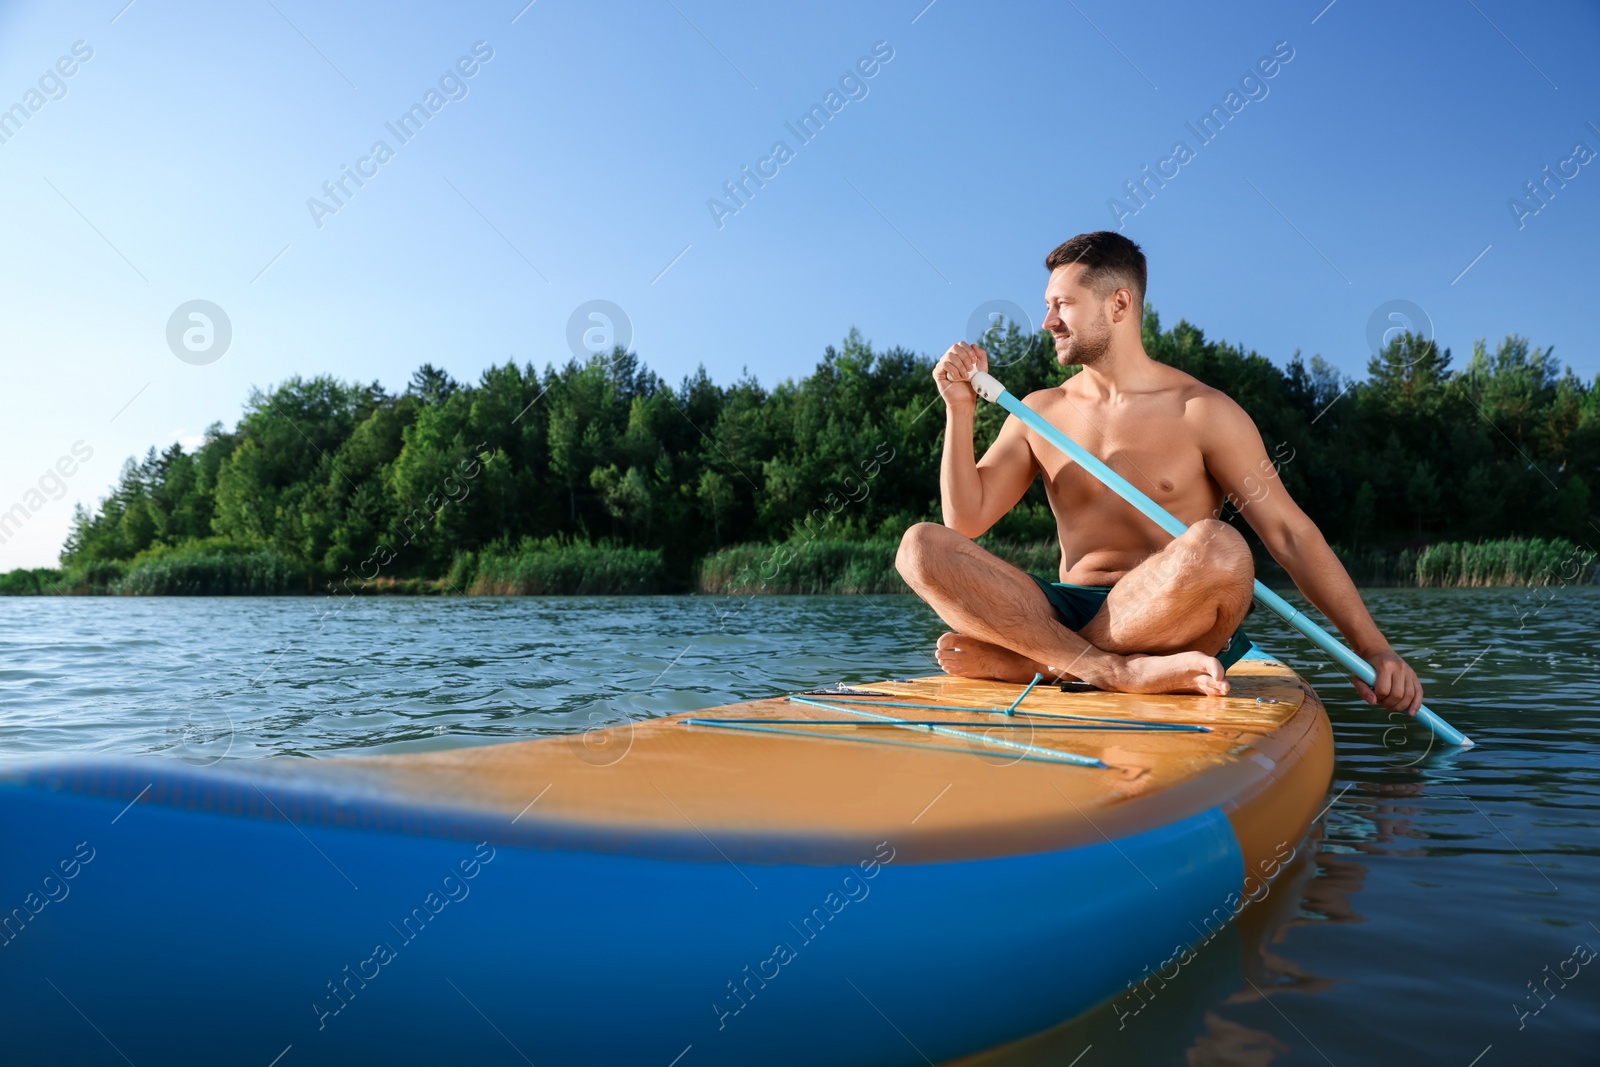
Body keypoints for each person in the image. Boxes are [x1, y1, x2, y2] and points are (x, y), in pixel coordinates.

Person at [895, 231, 1423, 712]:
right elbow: (963, 521)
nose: (1048, 321)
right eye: (1048, 305)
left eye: (1063, 305)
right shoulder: (1039, 410)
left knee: (1221, 547)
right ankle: (1107, 668)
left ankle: (1040, 660)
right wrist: (959, 410)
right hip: (1063, 609)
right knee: (920, 546)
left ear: (1119, 303)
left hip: (1173, 616)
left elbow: (1289, 534)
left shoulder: (1202, 410)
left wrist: (1373, 648)